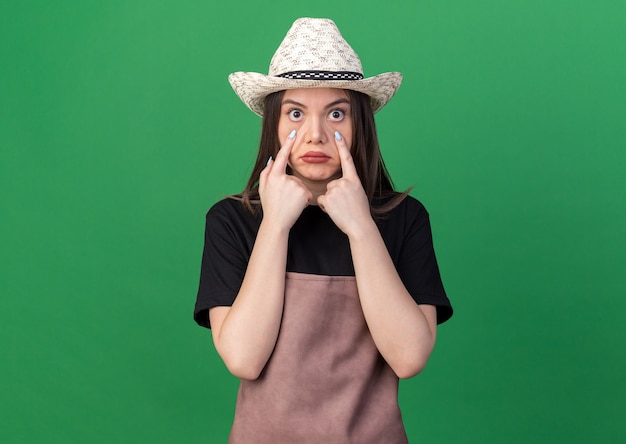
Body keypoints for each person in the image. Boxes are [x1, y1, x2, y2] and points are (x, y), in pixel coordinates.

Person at [194, 17, 453, 443]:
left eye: (337, 113)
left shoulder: (405, 218)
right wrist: (275, 224)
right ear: (274, 125)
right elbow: (243, 358)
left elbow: (409, 358)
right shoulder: (231, 220)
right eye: (296, 113)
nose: (316, 134)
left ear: (360, 126)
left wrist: (361, 227)